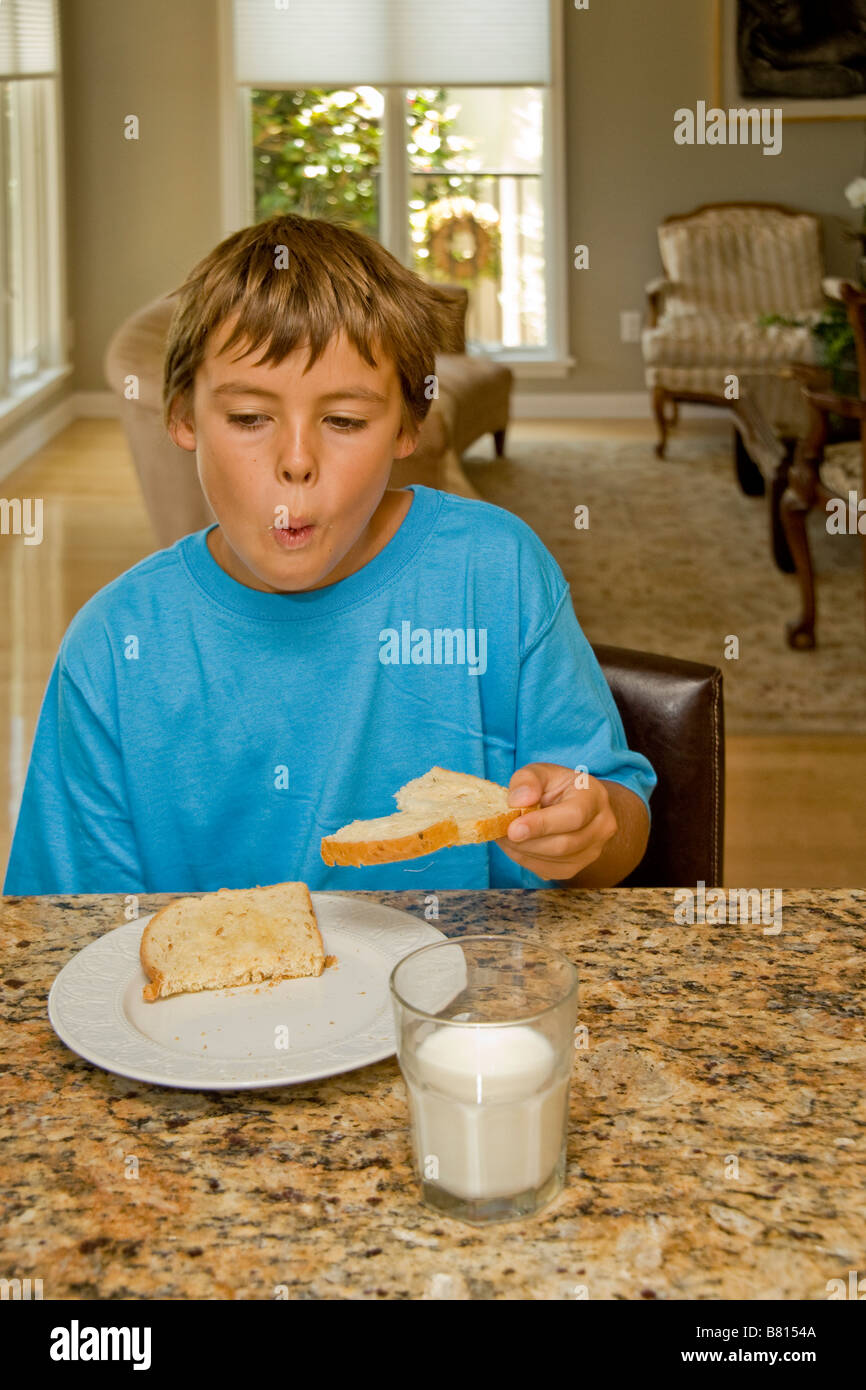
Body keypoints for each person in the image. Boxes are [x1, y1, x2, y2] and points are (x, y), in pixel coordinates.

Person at [4, 213, 655, 895]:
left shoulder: (495, 571)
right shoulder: (114, 646)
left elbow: (620, 826)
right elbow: (66, 932)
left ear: (407, 426)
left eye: (344, 421)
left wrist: (590, 824)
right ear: (183, 418)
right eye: (250, 418)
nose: (296, 462)